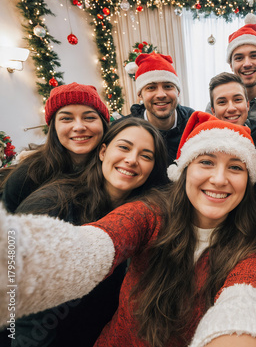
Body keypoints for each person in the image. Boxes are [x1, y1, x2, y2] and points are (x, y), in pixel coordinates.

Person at [1, 112, 256, 347]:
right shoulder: (151, 212)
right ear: (184, 171)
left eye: (235, 167)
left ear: (249, 180)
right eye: (206, 162)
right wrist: (15, 267)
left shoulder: (255, 249)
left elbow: (244, 302)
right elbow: (97, 242)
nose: (219, 179)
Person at [11, 117, 168, 347]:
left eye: (146, 156)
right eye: (124, 147)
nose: (132, 160)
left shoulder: (149, 214)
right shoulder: (53, 205)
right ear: (103, 152)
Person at [2, 82, 110, 213]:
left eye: (89, 117)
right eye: (66, 118)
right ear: (54, 128)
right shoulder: (28, 174)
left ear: (103, 124)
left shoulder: (116, 169)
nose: (79, 127)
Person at [206, 14, 256, 130]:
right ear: (231, 65)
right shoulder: (214, 106)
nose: (247, 64)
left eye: (253, 56)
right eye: (239, 58)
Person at [126, 52, 194, 163]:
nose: (161, 94)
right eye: (151, 87)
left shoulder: (194, 123)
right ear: (140, 95)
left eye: (168, 86)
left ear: (178, 92)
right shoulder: (127, 129)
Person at [209, 72, 256, 170]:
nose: (231, 108)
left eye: (237, 100)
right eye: (222, 102)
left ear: (248, 105)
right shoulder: (203, 145)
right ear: (213, 111)